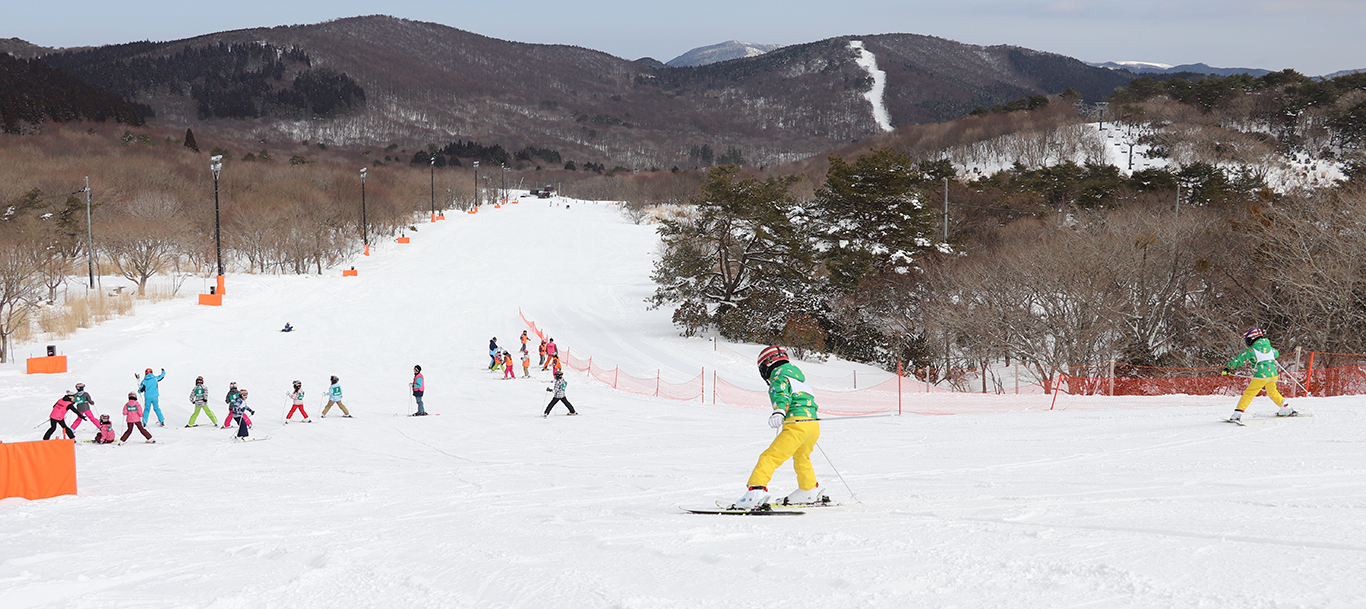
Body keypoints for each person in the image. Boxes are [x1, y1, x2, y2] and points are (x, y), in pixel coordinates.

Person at [734, 346, 824, 510]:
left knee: (770, 457)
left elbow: (781, 394)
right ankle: (808, 490)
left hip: (796, 425)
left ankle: (755, 492)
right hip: (812, 425)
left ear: (767, 365)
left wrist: (779, 411)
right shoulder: (798, 379)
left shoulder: (779, 376)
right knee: (802, 457)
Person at [1223, 327, 1296, 422]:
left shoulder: (1252, 350)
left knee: (1249, 393)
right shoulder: (1270, 348)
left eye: (1247, 339)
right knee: (1272, 392)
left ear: (1252, 338)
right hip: (1273, 374)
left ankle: (1237, 413)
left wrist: (1228, 368)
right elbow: (1277, 353)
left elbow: (1240, 359)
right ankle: (1286, 407)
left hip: (1261, 376)